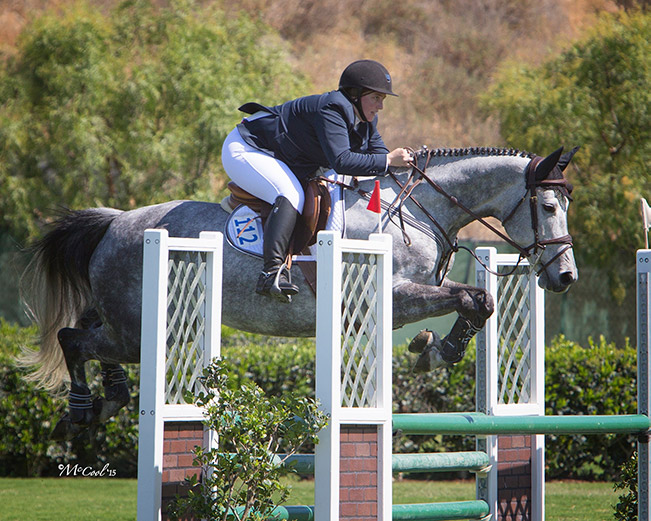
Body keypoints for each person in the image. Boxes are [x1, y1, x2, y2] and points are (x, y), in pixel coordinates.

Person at [221, 59, 413, 301]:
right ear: (355, 94)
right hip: (247, 148)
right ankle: (271, 273)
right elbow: (343, 160)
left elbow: (378, 156)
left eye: (382, 100)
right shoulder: (332, 108)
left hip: (284, 157)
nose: (380, 106)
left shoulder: (366, 119)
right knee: (290, 194)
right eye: (376, 97)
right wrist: (388, 161)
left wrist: (399, 161)